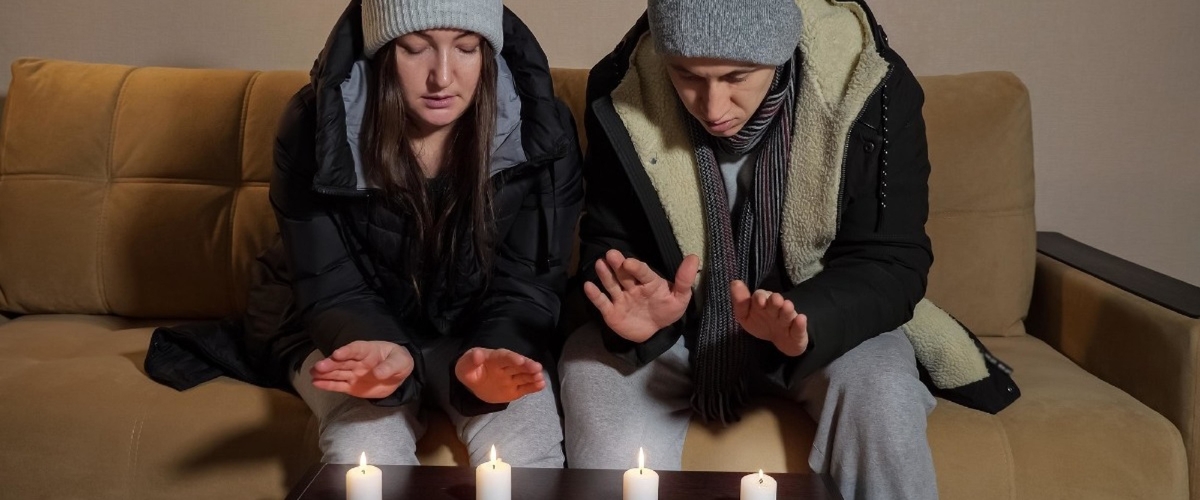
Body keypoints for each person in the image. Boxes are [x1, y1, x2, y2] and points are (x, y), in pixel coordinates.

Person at [559, 0, 1016, 498]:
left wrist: (806, 319)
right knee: (588, 372)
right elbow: (608, 240)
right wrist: (634, 310)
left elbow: (892, 259)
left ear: (780, 53)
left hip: (822, 321)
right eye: (686, 74)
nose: (712, 107)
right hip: (679, 332)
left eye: (737, 76)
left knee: (880, 391)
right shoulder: (624, 85)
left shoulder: (871, 87)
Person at [147, 0, 581, 468]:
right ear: (381, 50)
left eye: (467, 48)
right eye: (415, 49)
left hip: (477, 328)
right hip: (340, 327)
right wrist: (374, 346)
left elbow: (530, 281)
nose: (442, 76)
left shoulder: (543, 130)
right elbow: (328, 281)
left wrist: (496, 352)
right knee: (364, 453)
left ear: (488, 52)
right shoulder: (315, 126)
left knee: (526, 448)